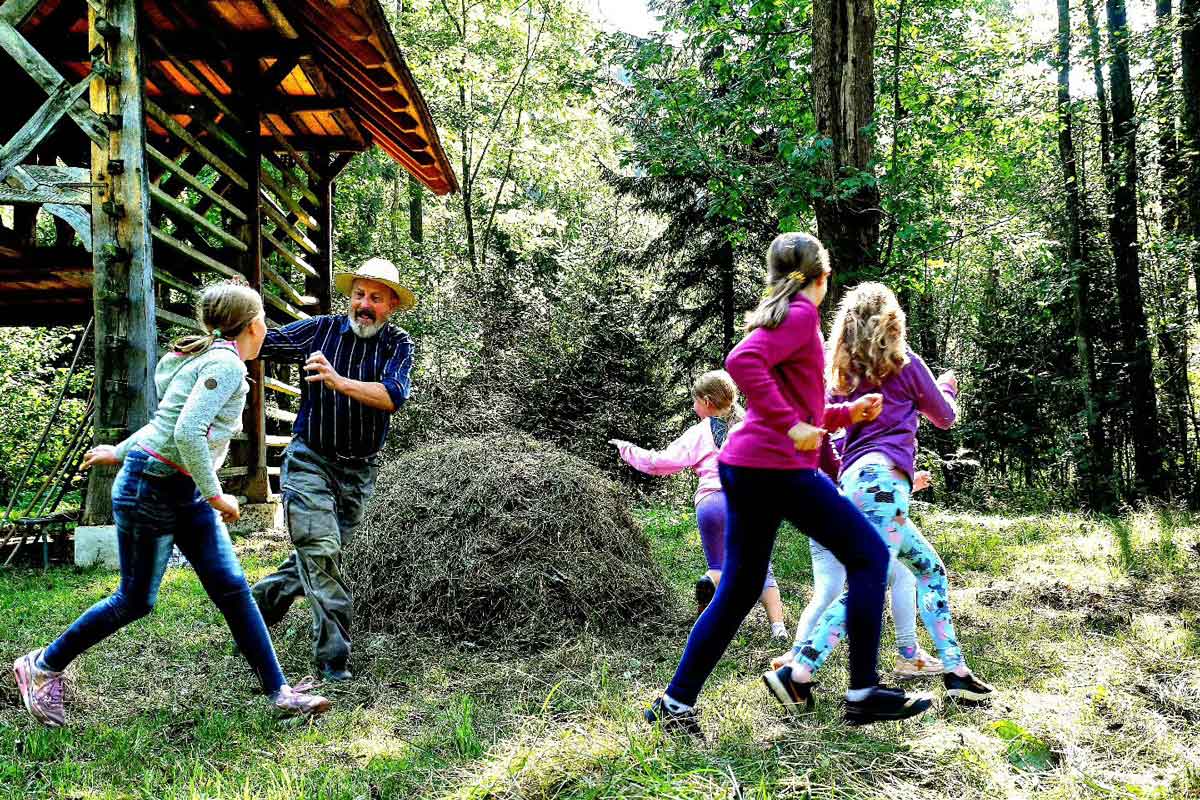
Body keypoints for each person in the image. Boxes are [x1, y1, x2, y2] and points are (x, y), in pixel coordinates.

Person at [644, 233, 933, 734]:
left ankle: (674, 704)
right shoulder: (800, 315)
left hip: (745, 465)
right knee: (869, 555)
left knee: (739, 588)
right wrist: (792, 425)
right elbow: (741, 364)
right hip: (773, 468)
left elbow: (803, 406)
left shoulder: (782, 314)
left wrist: (844, 413)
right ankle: (863, 691)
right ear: (824, 278)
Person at [13, 282, 330, 727]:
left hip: (179, 490)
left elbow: (164, 425)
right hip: (152, 490)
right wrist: (217, 491)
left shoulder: (207, 358)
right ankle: (42, 666)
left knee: (233, 588)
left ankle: (279, 692)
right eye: (263, 322)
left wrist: (118, 450)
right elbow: (185, 432)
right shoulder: (225, 365)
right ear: (253, 325)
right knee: (135, 599)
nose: (265, 329)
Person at [763, 281, 994, 710]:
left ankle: (956, 672)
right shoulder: (905, 366)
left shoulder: (839, 378)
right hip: (883, 488)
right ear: (891, 322)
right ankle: (797, 672)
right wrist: (947, 387)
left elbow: (823, 435)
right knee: (866, 586)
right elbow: (944, 418)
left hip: (858, 487)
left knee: (930, 570)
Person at [251, 258, 415, 682]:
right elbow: (263, 342)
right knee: (321, 551)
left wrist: (338, 380)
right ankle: (333, 661)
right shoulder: (320, 330)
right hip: (310, 460)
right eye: (359, 294)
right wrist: (242, 310)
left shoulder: (398, 345)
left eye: (376, 298)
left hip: (359, 472)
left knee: (323, 553)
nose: (364, 304)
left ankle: (255, 608)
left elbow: (392, 395)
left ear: (391, 305)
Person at [610, 370, 788, 639]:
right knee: (761, 567)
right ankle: (779, 629)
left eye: (694, 401)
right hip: (745, 503)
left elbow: (660, 463)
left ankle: (712, 589)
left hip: (710, 504)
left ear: (706, 401)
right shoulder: (750, 424)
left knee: (719, 566)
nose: (693, 407)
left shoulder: (698, 432)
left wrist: (627, 449)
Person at [782, 458, 946, 679]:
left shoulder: (833, 432)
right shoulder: (874, 430)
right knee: (901, 575)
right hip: (865, 514)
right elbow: (873, 484)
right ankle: (908, 655)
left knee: (827, 592)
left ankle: (795, 656)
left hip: (823, 516)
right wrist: (904, 482)